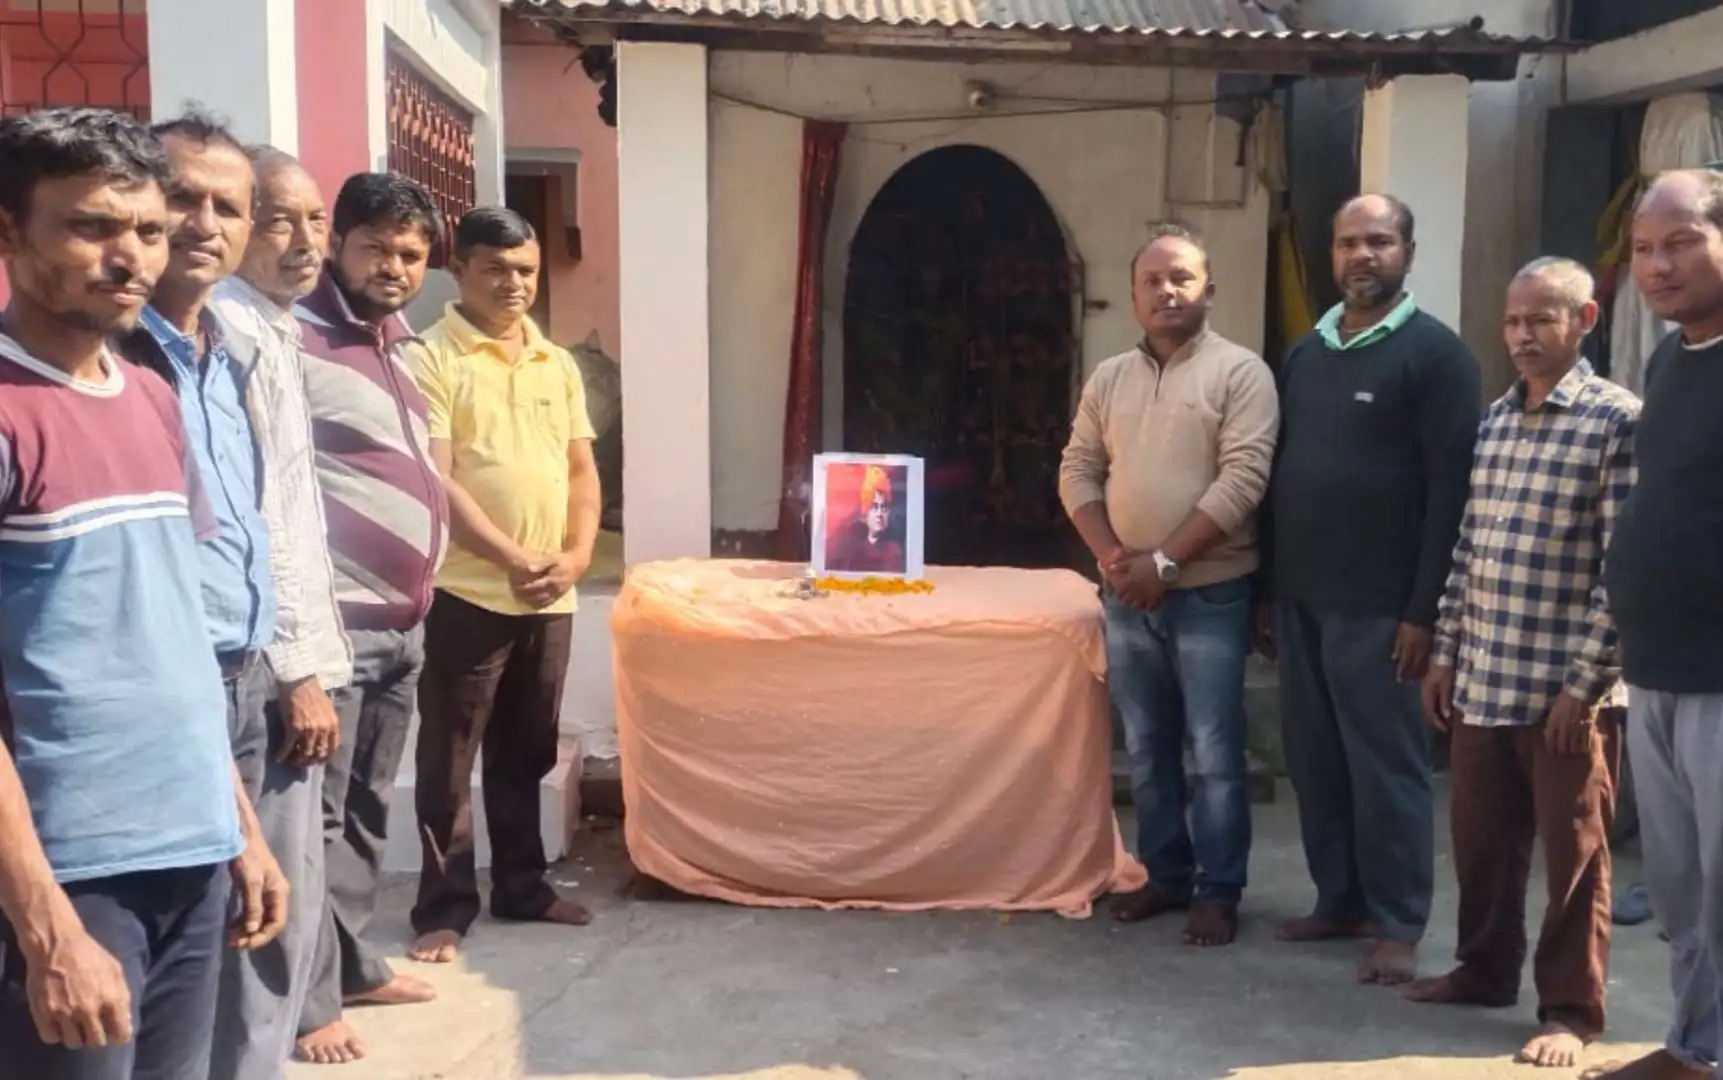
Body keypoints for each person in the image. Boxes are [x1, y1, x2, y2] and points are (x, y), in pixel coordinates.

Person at [0, 106, 286, 1080]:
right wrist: (46, 929)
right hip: (67, 872)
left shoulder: (152, 397)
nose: (130, 257)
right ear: (10, 231)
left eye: (148, 232)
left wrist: (237, 827)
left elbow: (175, 636)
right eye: (91, 227)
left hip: (191, 852)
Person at [112, 110, 339, 1079]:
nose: (204, 224)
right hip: (160, 689)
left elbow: (266, 521)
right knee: (163, 946)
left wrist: (288, 661)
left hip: (245, 673)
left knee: (243, 919)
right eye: (182, 199)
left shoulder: (229, 356)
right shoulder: (108, 360)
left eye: (228, 207)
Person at [1405, 258, 1636, 1069]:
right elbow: (1469, 548)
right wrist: (1445, 649)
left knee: (1574, 858)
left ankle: (1570, 1010)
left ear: (1584, 321)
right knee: (1480, 842)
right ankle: (1483, 970)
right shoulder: (1497, 421)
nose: (1522, 336)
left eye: (1541, 319)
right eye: (1512, 321)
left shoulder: (1615, 422)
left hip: (1565, 694)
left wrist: (1586, 684)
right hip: (1484, 675)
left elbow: (1621, 569)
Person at [1258, 194, 1481, 984]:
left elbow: (1449, 495)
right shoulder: (1304, 354)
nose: (1361, 255)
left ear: (1407, 254)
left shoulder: (1438, 358)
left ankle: (1397, 921)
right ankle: (1340, 900)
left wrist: (1423, 612)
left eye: (1378, 241)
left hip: (1383, 608)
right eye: (1347, 242)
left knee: (1385, 767)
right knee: (1315, 761)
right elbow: (1279, 474)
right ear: (1331, 254)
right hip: (1301, 597)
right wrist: (1268, 590)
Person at [1058, 223, 1278, 947]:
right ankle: (1165, 875)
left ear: (1209, 289)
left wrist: (1166, 565)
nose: (1167, 291)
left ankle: (1218, 889)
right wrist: (1113, 559)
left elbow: (1243, 479)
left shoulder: (1241, 373)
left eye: (1181, 278)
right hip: (1127, 594)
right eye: (1151, 281)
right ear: (1133, 297)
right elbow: (1077, 468)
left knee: (1214, 752)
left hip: (1209, 593)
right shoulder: (1110, 378)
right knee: (1149, 746)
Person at [405, 206, 601, 964]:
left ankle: (522, 886)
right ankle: (443, 907)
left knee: (527, 750)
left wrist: (577, 555)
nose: (513, 283)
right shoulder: (430, 357)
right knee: (450, 759)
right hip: (468, 592)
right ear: (459, 270)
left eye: (525, 269)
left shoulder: (557, 363)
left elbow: (581, 472)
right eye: (494, 268)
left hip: (551, 593)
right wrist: (511, 556)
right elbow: (437, 479)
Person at [293, 172, 449, 1064]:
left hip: (403, 628)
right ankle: (309, 1004)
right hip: (338, 629)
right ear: (337, 245)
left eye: (411, 254)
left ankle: (352, 967)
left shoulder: (400, 344)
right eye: (376, 248)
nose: (394, 267)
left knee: (362, 813)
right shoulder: (296, 340)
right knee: (313, 824)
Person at [1590, 167, 1723, 1080]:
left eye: (1680, 243)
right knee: (1679, 886)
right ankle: (1695, 1046)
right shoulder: (1670, 361)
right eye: (1642, 249)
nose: (1657, 266)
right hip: (1655, 667)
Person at [828, 465, 905, 574]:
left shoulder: (894, 550)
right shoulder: (851, 547)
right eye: (874, 507)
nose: (879, 514)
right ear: (865, 511)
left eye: (884, 507)